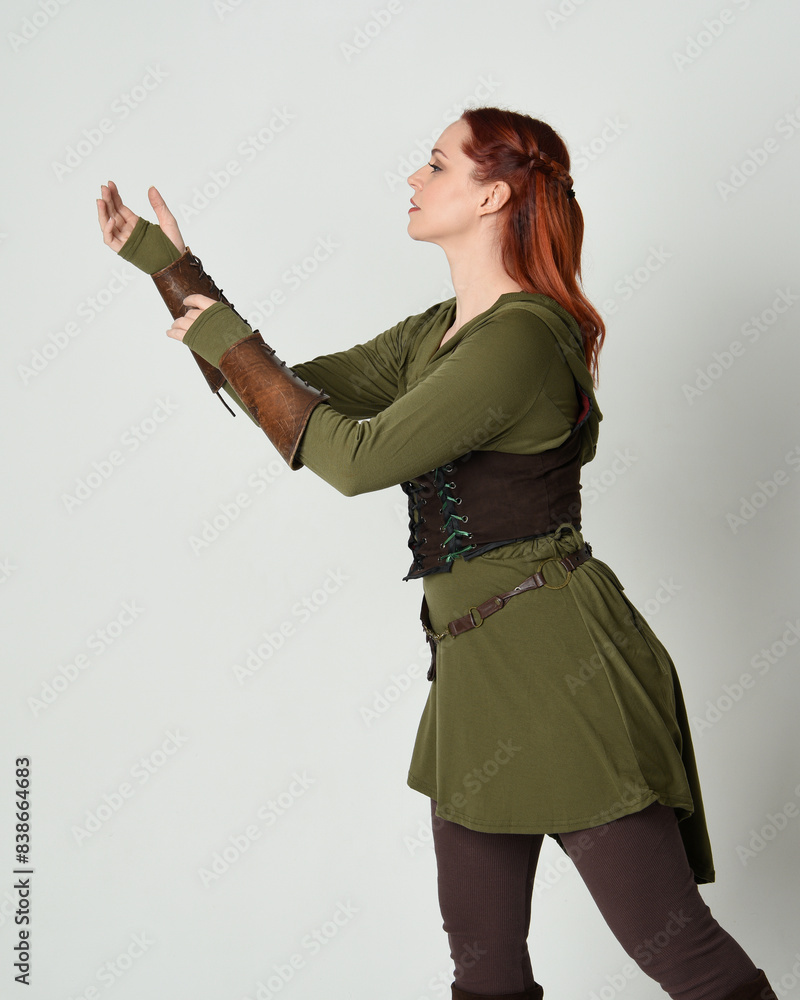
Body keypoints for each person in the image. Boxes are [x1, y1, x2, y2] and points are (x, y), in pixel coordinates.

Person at [96, 107, 777, 1000]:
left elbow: (349, 458)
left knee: (683, 958)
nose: (414, 181)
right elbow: (285, 394)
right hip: (473, 678)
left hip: (563, 669)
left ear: (491, 192)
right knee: (485, 971)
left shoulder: (524, 341)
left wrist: (217, 325)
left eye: (435, 165)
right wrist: (169, 267)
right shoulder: (438, 331)